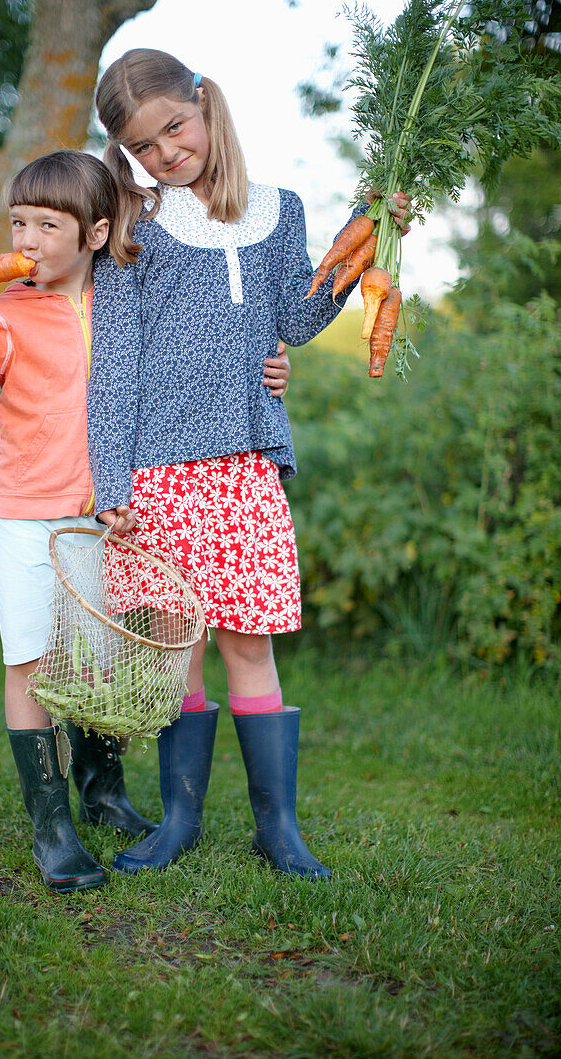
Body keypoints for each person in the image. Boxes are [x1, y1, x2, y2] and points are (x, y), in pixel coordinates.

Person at [0, 149, 292, 893]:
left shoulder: (130, 305)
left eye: (46, 225)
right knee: (30, 662)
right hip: (28, 515)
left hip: (113, 515)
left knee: (101, 664)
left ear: (95, 234)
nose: (26, 240)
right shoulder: (8, 312)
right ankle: (52, 827)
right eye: (17, 223)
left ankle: (103, 790)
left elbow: (205, 359)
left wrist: (272, 364)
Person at [87, 49, 411, 881]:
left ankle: (278, 829)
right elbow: (115, 362)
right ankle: (179, 822)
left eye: (173, 127)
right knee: (176, 648)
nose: (165, 152)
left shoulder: (279, 209)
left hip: (244, 467)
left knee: (248, 645)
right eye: (143, 146)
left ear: (203, 103)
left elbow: (294, 322)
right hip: (157, 471)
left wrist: (369, 226)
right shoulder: (133, 224)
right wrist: (112, 483)